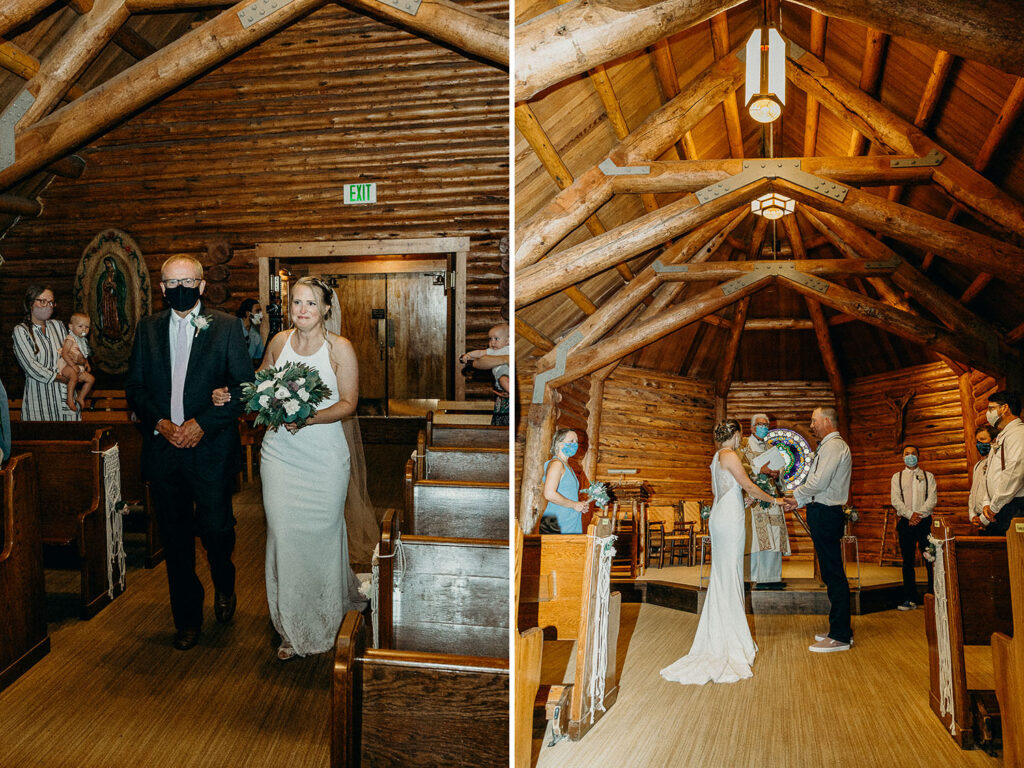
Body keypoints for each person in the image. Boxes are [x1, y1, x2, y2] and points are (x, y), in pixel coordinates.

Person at [226, 276, 366, 660]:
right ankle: (290, 626)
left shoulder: (340, 348)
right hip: (280, 455)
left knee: (322, 534)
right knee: (284, 536)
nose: (302, 310)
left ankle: (328, 612)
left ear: (325, 309)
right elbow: (260, 384)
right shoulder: (278, 342)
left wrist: (308, 418)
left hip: (323, 456)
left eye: (310, 303)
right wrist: (241, 394)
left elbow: (349, 403)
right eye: (296, 304)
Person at [125, 256, 252, 651]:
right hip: (165, 449)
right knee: (176, 539)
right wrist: (161, 422)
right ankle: (187, 618)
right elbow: (136, 388)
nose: (179, 287)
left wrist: (201, 424)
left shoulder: (227, 327)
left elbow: (243, 389)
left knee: (216, 530)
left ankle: (224, 580)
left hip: (209, 449)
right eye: (171, 282)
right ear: (162, 288)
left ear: (200, 285)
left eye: (188, 280)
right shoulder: (147, 329)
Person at [661, 419, 787, 685]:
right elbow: (748, 485)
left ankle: (723, 631)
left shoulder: (717, 456)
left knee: (724, 574)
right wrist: (775, 499)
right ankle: (730, 637)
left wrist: (746, 501)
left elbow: (725, 490)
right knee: (728, 574)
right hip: (729, 520)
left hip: (723, 513)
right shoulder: (730, 455)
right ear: (738, 435)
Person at [791, 406, 853, 653]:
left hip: (827, 513)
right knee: (830, 572)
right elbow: (817, 486)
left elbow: (819, 482)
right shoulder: (828, 447)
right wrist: (800, 501)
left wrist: (795, 495)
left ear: (827, 420)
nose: (812, 425)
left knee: (833, 572)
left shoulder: (834, 446)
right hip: (822, 509)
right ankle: (840, 629)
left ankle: (839, 636)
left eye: (814, 420)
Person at [12, 285, 79, 422]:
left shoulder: (58, 325)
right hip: (40, 402)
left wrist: (78, 359)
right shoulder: (21, 331)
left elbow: (69, 352)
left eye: (51, 302)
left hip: (65, 398)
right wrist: (60, 378)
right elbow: (31, 366)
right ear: (31, 304)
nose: (47, 306)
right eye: (42, 301)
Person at [741, 412, 790, 590]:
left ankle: (771, 577)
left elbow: (779, 475)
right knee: (756, 538)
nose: (764, 428)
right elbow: (740, 469)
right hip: (753, 500)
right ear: (752, 427)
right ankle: (753, 576)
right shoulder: (742, 446)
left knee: (774, 536)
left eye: (766, 425)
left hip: (772, 499)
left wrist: (777, 475)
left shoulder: (771, 448)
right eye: (761, 424)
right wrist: (758, 469)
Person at [891, 444, 936, 611]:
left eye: (913, 453)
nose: (910, 456)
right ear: (903, 457)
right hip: (906, 522)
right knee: (908, 561)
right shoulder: (897, 477)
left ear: (919, 455)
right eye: (907, 454)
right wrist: (910, 515)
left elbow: (932, 498)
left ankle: (932, 596)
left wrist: (919, 515)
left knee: (930, 559)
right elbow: (895, 500)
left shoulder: (928, 476)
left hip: (924, 522)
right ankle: (909, 599)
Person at [978, 391, 1024, 536]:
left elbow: (1014, 473)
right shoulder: (1001, 436)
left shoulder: (1018, 433)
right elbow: (990, 474)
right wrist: (986, 502)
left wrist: (994, 506)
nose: (988, 413)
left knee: (1015, 555)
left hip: (1014, 505)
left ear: (1004, 408)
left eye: (991, 408)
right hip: (999, 506)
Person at [539, 428, 590, 534]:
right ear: (559, 444)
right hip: (557, 522)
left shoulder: (567, 465)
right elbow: (549, 494)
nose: (575, 444)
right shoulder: (556, 464)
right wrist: (574, 505)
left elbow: (568, 494)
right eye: (571, 441)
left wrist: (580, 505)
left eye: (576, 441)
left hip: (569, 520)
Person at [460, 323, 510, 426]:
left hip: (506, 373)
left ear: (507, 341)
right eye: (490, 339)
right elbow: (479, 354)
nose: (492, 342)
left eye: (496, 339)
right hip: (500, 392)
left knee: (504, 380)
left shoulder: (509, 349)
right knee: (502, 381)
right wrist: (468, 355)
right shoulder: (491, 351)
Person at [59, 312, 96, 412]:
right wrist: (73, 365)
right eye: (80, 326)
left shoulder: (82, 340)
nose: (84, 329)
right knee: (74, 377)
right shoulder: (70, 339)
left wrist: (87, 363)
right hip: (66, 365)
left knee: (91, 379)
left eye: (87, 327)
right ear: (71, 327)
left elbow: (83, 354)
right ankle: (69, 399)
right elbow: (64, 354)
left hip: (77, 367)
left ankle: (81, 397)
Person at [968, 425, 998, 530]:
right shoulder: (977, 465)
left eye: (983, 439)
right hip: (979, 518)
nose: (979, 444)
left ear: (993, 441)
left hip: (992, 515)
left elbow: (994, 491)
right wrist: (972, 515)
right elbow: (973, 492)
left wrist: (983, 519)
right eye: (977, 441)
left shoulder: (997, 462)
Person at [235, 298, 266, 366]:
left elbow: (260, 357)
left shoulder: (256, 336)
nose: (261, 315)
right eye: (257, 311)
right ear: (248, 313)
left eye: (261, 311)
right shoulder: (233, 328)